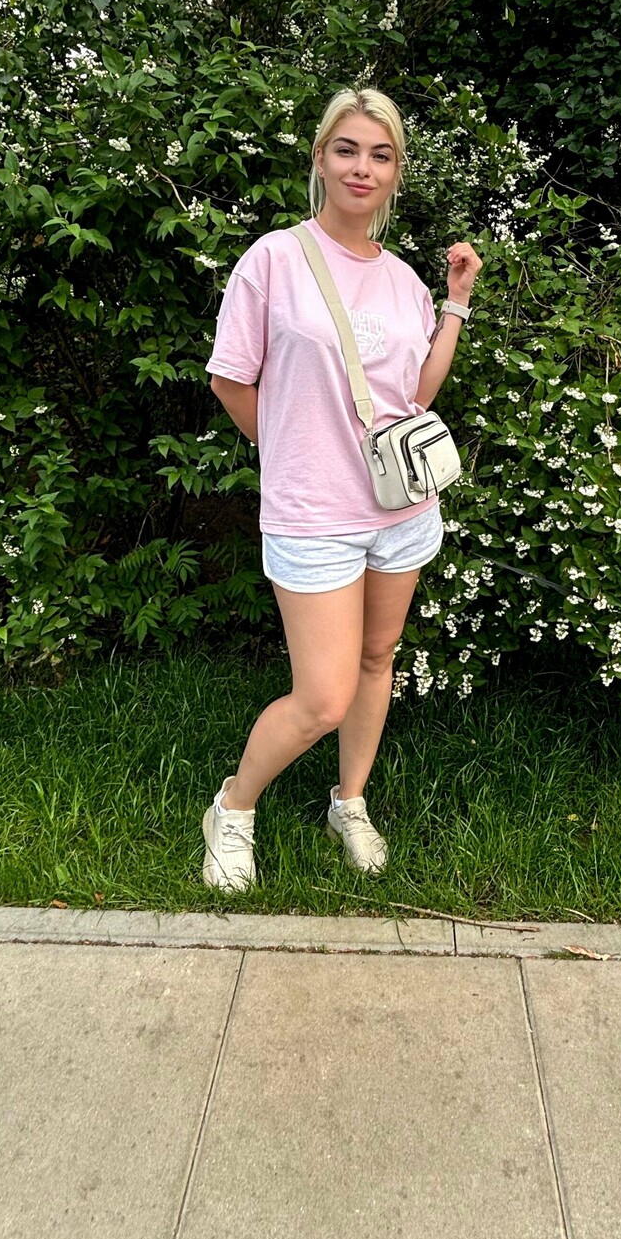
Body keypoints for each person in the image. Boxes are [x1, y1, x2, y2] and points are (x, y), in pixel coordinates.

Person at [201, 86, 483, 891]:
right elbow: (230, 380)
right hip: (313, 514)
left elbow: (414, 394)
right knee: (322, 698)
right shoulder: (273, 260)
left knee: (375, 656)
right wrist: (294, 452)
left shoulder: (400, 280)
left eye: (381, 155)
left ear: (396, 173)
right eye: (348, 150)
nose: (364, 167)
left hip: (401, 509)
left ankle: (348, 801)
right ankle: (233, 806)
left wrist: (456, 304)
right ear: (321, 159)